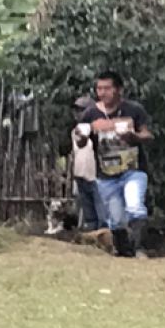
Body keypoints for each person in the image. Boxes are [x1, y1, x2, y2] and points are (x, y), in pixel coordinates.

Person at [75, 71, 153, 257]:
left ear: (119, 90)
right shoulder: (91, 113)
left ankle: (139, 248)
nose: (102, 92)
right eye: (99, 88)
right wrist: (82, 137)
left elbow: (148, 135)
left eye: (107, 88)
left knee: (134, 206)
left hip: (133, 169)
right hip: (106, 174)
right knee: (116, 219)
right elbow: (81, 142)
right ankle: (124, 252)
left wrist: (133, 136)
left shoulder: (134, 110)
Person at [67, 95, 100, 232]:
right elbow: (76, 154)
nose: (78, 114)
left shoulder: (97, 130)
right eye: (77, 111)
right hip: (81, 174)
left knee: (100, 208)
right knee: (88, 211)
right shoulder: (75, 132)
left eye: (81, 110)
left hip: (95, 176)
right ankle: (91, 236)